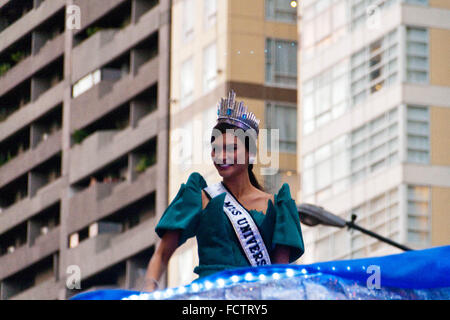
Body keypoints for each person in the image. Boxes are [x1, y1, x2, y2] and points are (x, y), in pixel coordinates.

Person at [143, 90, 304, 291]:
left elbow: (280, 275)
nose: (222, 156)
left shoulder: (277, 206)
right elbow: (161, 254)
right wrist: (149, 291)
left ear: (251, 153)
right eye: (215, 149)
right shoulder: (200, 198)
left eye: (232, 148)